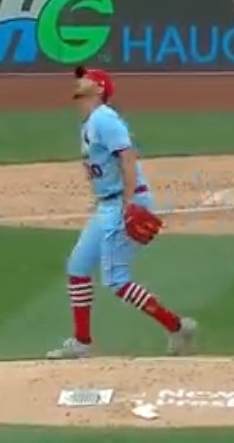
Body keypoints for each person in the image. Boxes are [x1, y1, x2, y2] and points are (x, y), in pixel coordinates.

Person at [46, 67, 198, 360]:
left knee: (116, 279)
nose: (79, 81)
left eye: (86, 78)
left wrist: (130, 204)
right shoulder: (89, 123)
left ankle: (177, 326)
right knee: (77, 267)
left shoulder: (105, 118)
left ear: (100, 88)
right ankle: (82, 341)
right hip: (107, 204)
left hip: (124, 202)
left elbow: (128, 157)